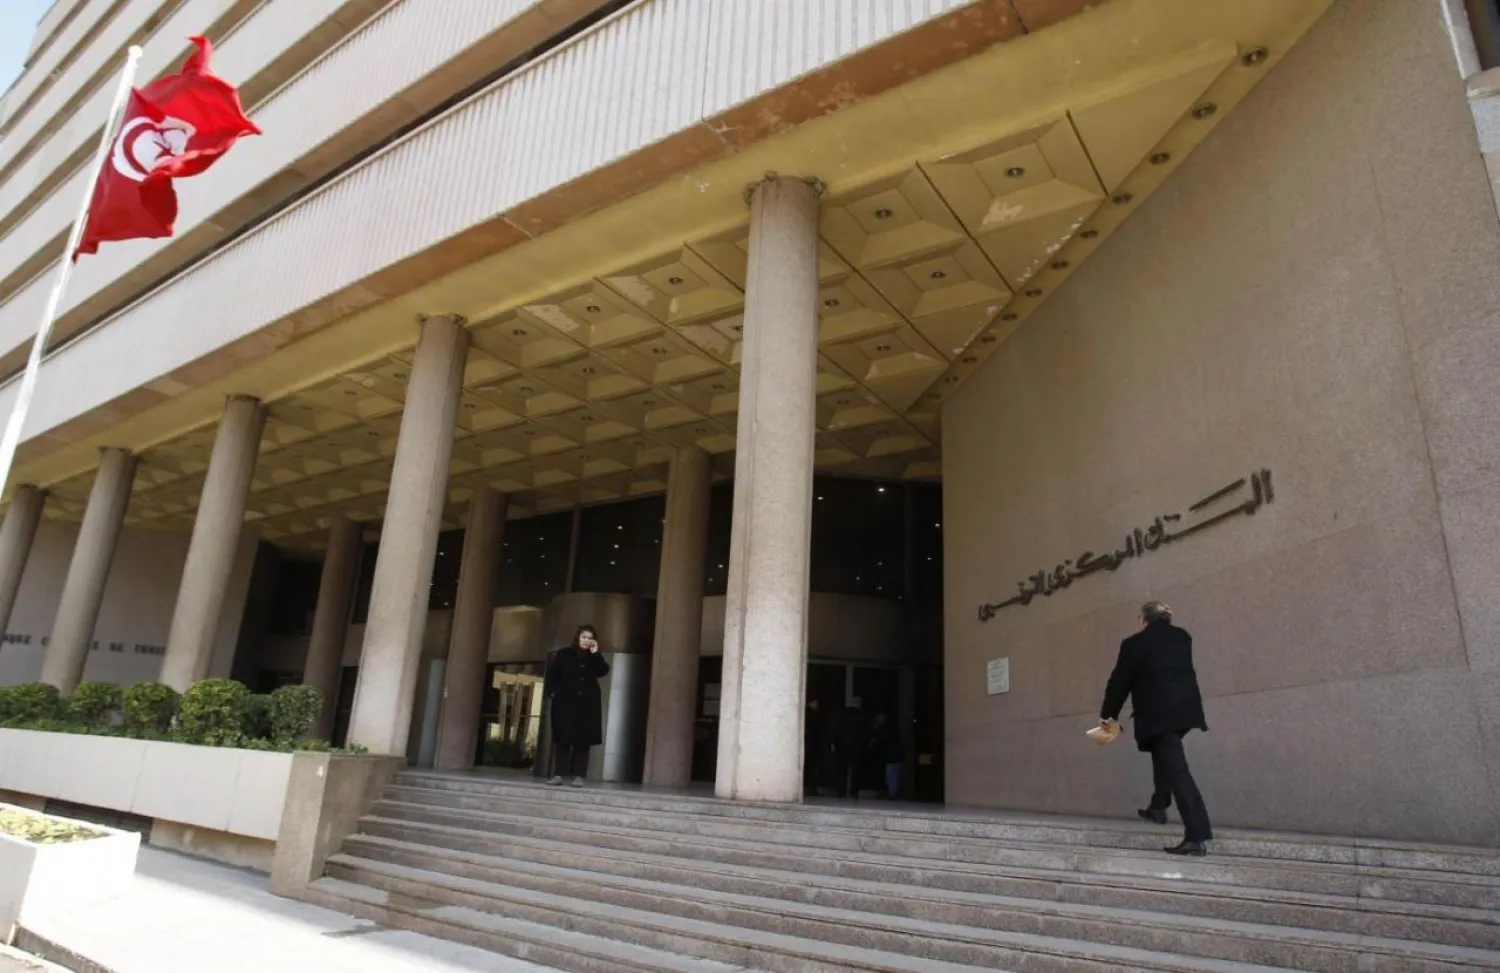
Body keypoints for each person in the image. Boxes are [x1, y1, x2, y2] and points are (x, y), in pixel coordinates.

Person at [1099, 601, 1212, 856]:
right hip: (1185, 711)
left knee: (1177, 769)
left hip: (1157, 713)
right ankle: (1158, 805)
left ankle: (1197, 834)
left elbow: (1119, 682)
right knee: (1166, 755)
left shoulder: (1135, 644)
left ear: (1144, 621)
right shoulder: (1183, 637)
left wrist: (1108, 717)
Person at [544, 624, 609, 787]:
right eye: (583, 637)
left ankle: (579, 775)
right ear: (577, 638)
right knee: (563, 739)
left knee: (583, 741)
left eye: (589, 638)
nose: (586, 641)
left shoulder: (593, 657)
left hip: (587, 705)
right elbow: (553, 675)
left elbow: (602, 671)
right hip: (565, 703)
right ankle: (559, 774)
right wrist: (552, 693)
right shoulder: (564, 654)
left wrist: (595, 653)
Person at [870, 712, 903, 799]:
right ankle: (892, 793)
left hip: (891, 756)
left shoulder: (886, 729)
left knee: (891, 776)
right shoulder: (889, 728)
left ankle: (892, 794)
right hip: (893, 755)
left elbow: (882, 738)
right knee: (892, 775)